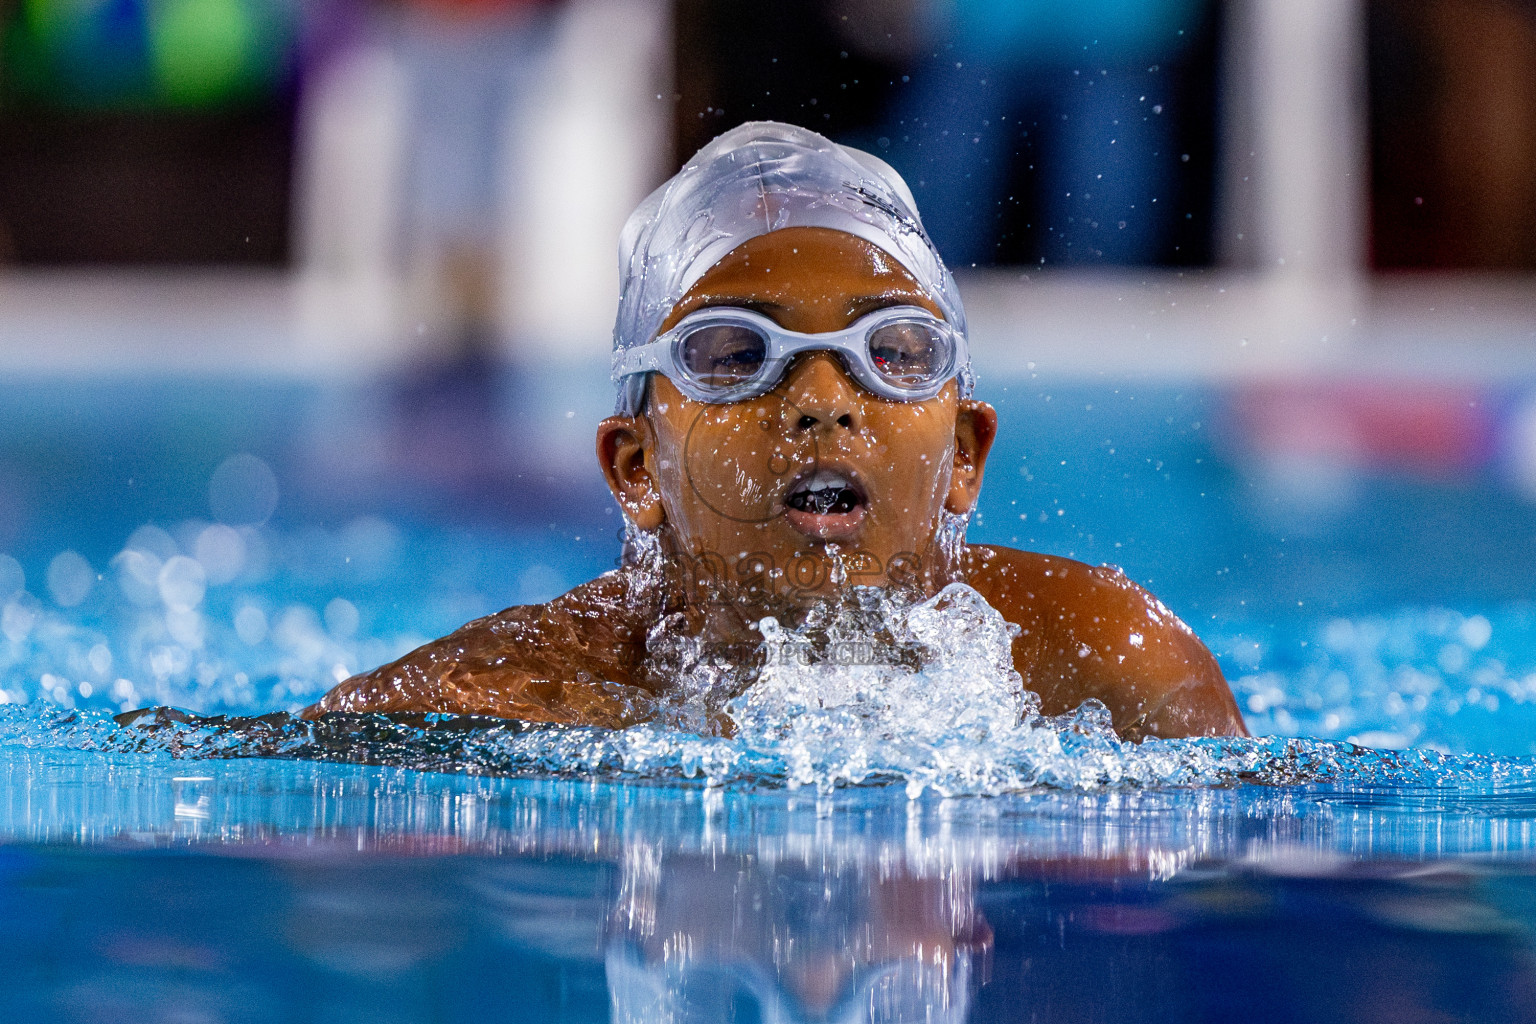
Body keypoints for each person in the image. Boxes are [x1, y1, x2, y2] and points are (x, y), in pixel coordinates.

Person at [304, 121, 1246, 741]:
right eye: (733, 353)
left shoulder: (1105, 667)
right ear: (636, 469)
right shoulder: (516, 702)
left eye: (893, 350)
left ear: (964, 455)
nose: (823, 399)